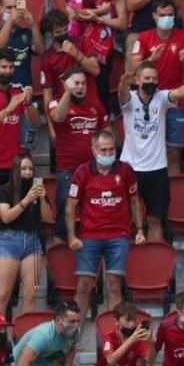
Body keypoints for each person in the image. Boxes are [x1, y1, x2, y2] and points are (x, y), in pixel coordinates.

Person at [119, 62, 184, 242]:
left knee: (155, 220)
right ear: (138, 80)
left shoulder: (161, 98)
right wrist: (123, 83)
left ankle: (153, 263)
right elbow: (122, 93)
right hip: (130, 168)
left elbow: (178, 92)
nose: (151, 82)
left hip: (157, 169)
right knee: (125, 220)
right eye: (147, 78)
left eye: (154, 78)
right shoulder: (130, 99)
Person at [67, 129, 145, 316]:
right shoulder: (82, 172)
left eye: (111, 150)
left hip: (118, 235)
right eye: (104, 150)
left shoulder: (126, 171)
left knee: (114, 284)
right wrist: (71, 236)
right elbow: (70, 206)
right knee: (83, 286)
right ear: (93, 150)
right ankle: (72, 340)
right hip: (89, 236)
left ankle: (115, 339)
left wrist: (140, 229)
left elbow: (134, 201)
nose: (108, 154)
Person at [129, 0, 184, 179]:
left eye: (170, 15)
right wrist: (151, 58)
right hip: (148, 101)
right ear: (154, 16)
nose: (167, 18)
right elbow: (133, 67)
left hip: (174, 100)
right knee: (148, 150)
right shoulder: (143, 38)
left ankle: (174, 194)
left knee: (174, 152)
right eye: (163, 15)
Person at [0, 49, 40, 243]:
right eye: (4, 67)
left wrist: (30, 103)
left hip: (13, 167)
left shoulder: (18, 90)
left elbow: (36, 123)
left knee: (17, 216)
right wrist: (8, 109)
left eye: (11, 67)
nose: (8, 71)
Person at [48, 67, 108, 244]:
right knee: (64, 209)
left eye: (83, 83)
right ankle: (59, 252)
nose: (80, 87)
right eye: (76, 83)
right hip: (68, 170)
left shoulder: (94, 106)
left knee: (93, 212)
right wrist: (67, 92)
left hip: (93, 170)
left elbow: (107, 134)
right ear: (65, 84)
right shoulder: (55, 103)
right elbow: (58, 117)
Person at [0, 155, 51, 315]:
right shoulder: (4, 190)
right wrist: (27, 200)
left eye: (31, 169)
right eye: (23, 169)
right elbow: (6, 217)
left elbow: (48, 218)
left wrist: (43, 199)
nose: (27, 172)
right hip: (8, 240)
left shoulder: (37, 189)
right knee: (3, 293)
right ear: (15, 171)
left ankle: (26, 337)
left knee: (31, 295)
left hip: (32, 240)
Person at [0, 0, 44, 116]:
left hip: (24, 95)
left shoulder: (26, 33)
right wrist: (10, 22)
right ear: (0, 9)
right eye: (9, 8)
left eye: (16, 7)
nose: (13, 11)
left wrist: (33, 25)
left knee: (27, 133)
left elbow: (39, 50)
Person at [38, 9, 103, 112]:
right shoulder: (47, 58)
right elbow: (48, 95)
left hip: (90, 106)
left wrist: (76, 53)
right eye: (58, 32)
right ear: (51, 34)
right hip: (67, 110)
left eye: (65, 29)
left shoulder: (82, 41)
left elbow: (96, 70)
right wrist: (51, 124)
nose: (63, 33)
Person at [90, 301, 151, 366]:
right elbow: (110, 361)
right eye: (128, 320)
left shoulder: (137, 339)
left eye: (134, 320)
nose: (132, 324)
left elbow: (149, 361)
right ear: (116, 321)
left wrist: (149, 341)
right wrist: (130, 341)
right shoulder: (108, 337)